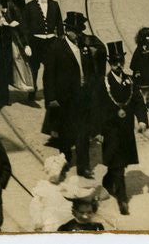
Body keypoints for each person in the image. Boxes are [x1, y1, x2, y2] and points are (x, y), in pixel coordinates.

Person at [42, 11, 106, 178]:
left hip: (83, 97)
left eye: (80, 31)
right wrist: (51, 98)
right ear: (68, 30)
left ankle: (83, 167)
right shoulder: (56, 48)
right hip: (64, 99)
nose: (79, 34)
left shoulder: (84, 47)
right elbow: (48, 75)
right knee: (65, 133)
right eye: (76, 31)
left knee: (83, 133)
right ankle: (65, 160)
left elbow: (90, 69)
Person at [99, 41, 149, 215]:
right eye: (115, 62)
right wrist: (97, 131)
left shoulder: (130, 80)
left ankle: (107, 181)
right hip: (110, 130)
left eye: (121, 61)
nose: (118, 65)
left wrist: (142, 121)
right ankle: (122, 199)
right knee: (119, 164)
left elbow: (139, 102)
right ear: (109, 63)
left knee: (119, 163)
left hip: (126, 131)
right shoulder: (104, 82)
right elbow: (97, 108)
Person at [23, 0, 64, 104]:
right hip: (35, 42)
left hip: (50, 42)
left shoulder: (54, 5)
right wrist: (26, 44)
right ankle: (32, 92)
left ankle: (50, 94)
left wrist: (61, 42)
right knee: (34, 69)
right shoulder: (29, 6)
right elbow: (25, 27)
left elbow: (59, 25)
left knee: (51, 69)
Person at [29, 154, 71, 232]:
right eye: (62, 173)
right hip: (49, 220)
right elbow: (35, 206)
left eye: (65, 173)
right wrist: (37, 221)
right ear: (54, 173)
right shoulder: (43, 187)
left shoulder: (65, 186)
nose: (65, 176)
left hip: (64, 218)